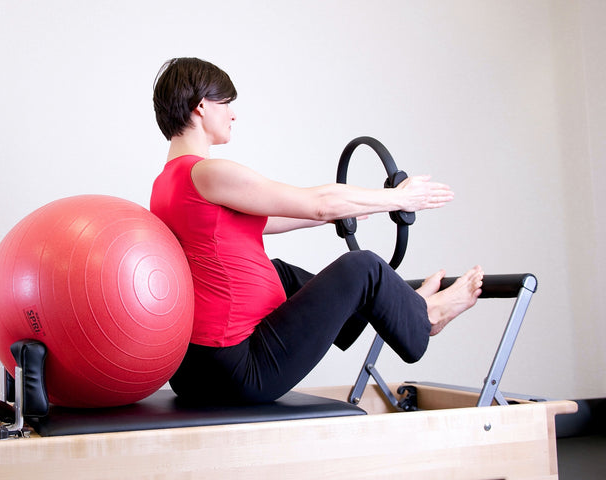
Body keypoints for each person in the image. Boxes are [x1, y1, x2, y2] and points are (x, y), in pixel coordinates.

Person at [150, 57, 483, 405]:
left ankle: (407, 306)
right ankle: (425, 318)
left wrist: (336, 215)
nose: (233, 114)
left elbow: (271, 218)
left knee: (279, 271)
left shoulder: (168, 182)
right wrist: (399, 197)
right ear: (201, 106)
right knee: (363, 267)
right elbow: (319, 201)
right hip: (238, 370)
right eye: (226, 103)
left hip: (194, 370)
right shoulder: (209, 173)